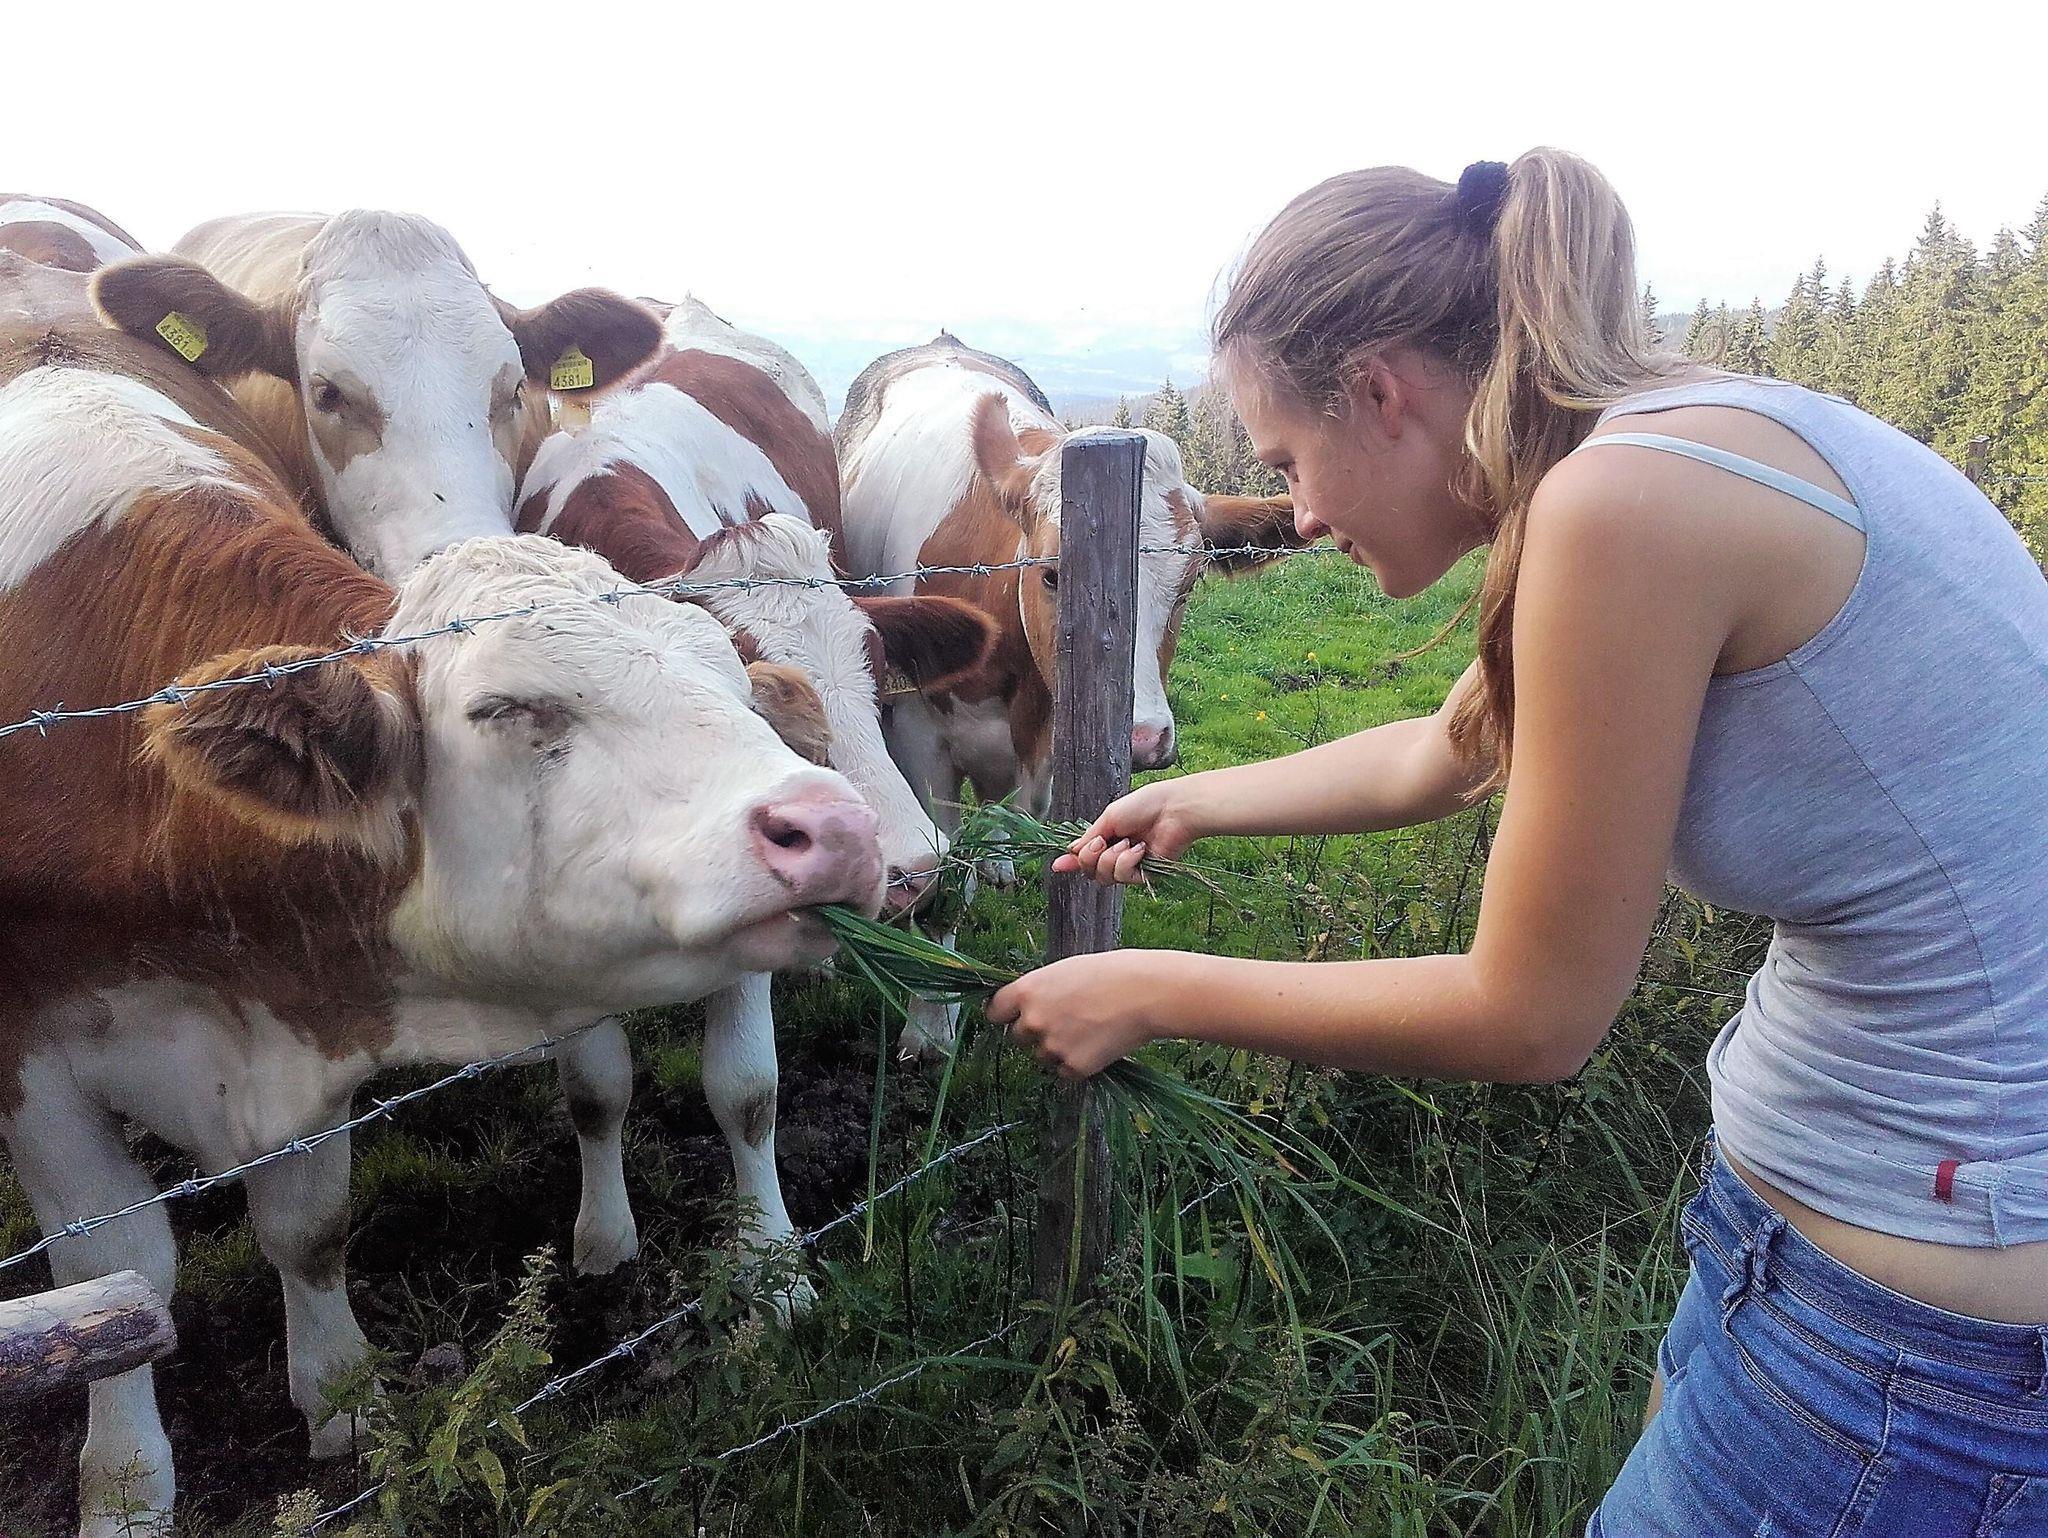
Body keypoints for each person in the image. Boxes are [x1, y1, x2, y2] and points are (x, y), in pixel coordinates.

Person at [986, 150, 2048, 1536]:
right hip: (1835, 1251)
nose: (1301, 514)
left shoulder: (1620, 508)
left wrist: (1149, 988)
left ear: (1382, 391)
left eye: (1291, 459)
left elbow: (1532, 1015)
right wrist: (1197, 799)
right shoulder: (1665, 443)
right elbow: (1449, 749)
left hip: (1918, 1338)